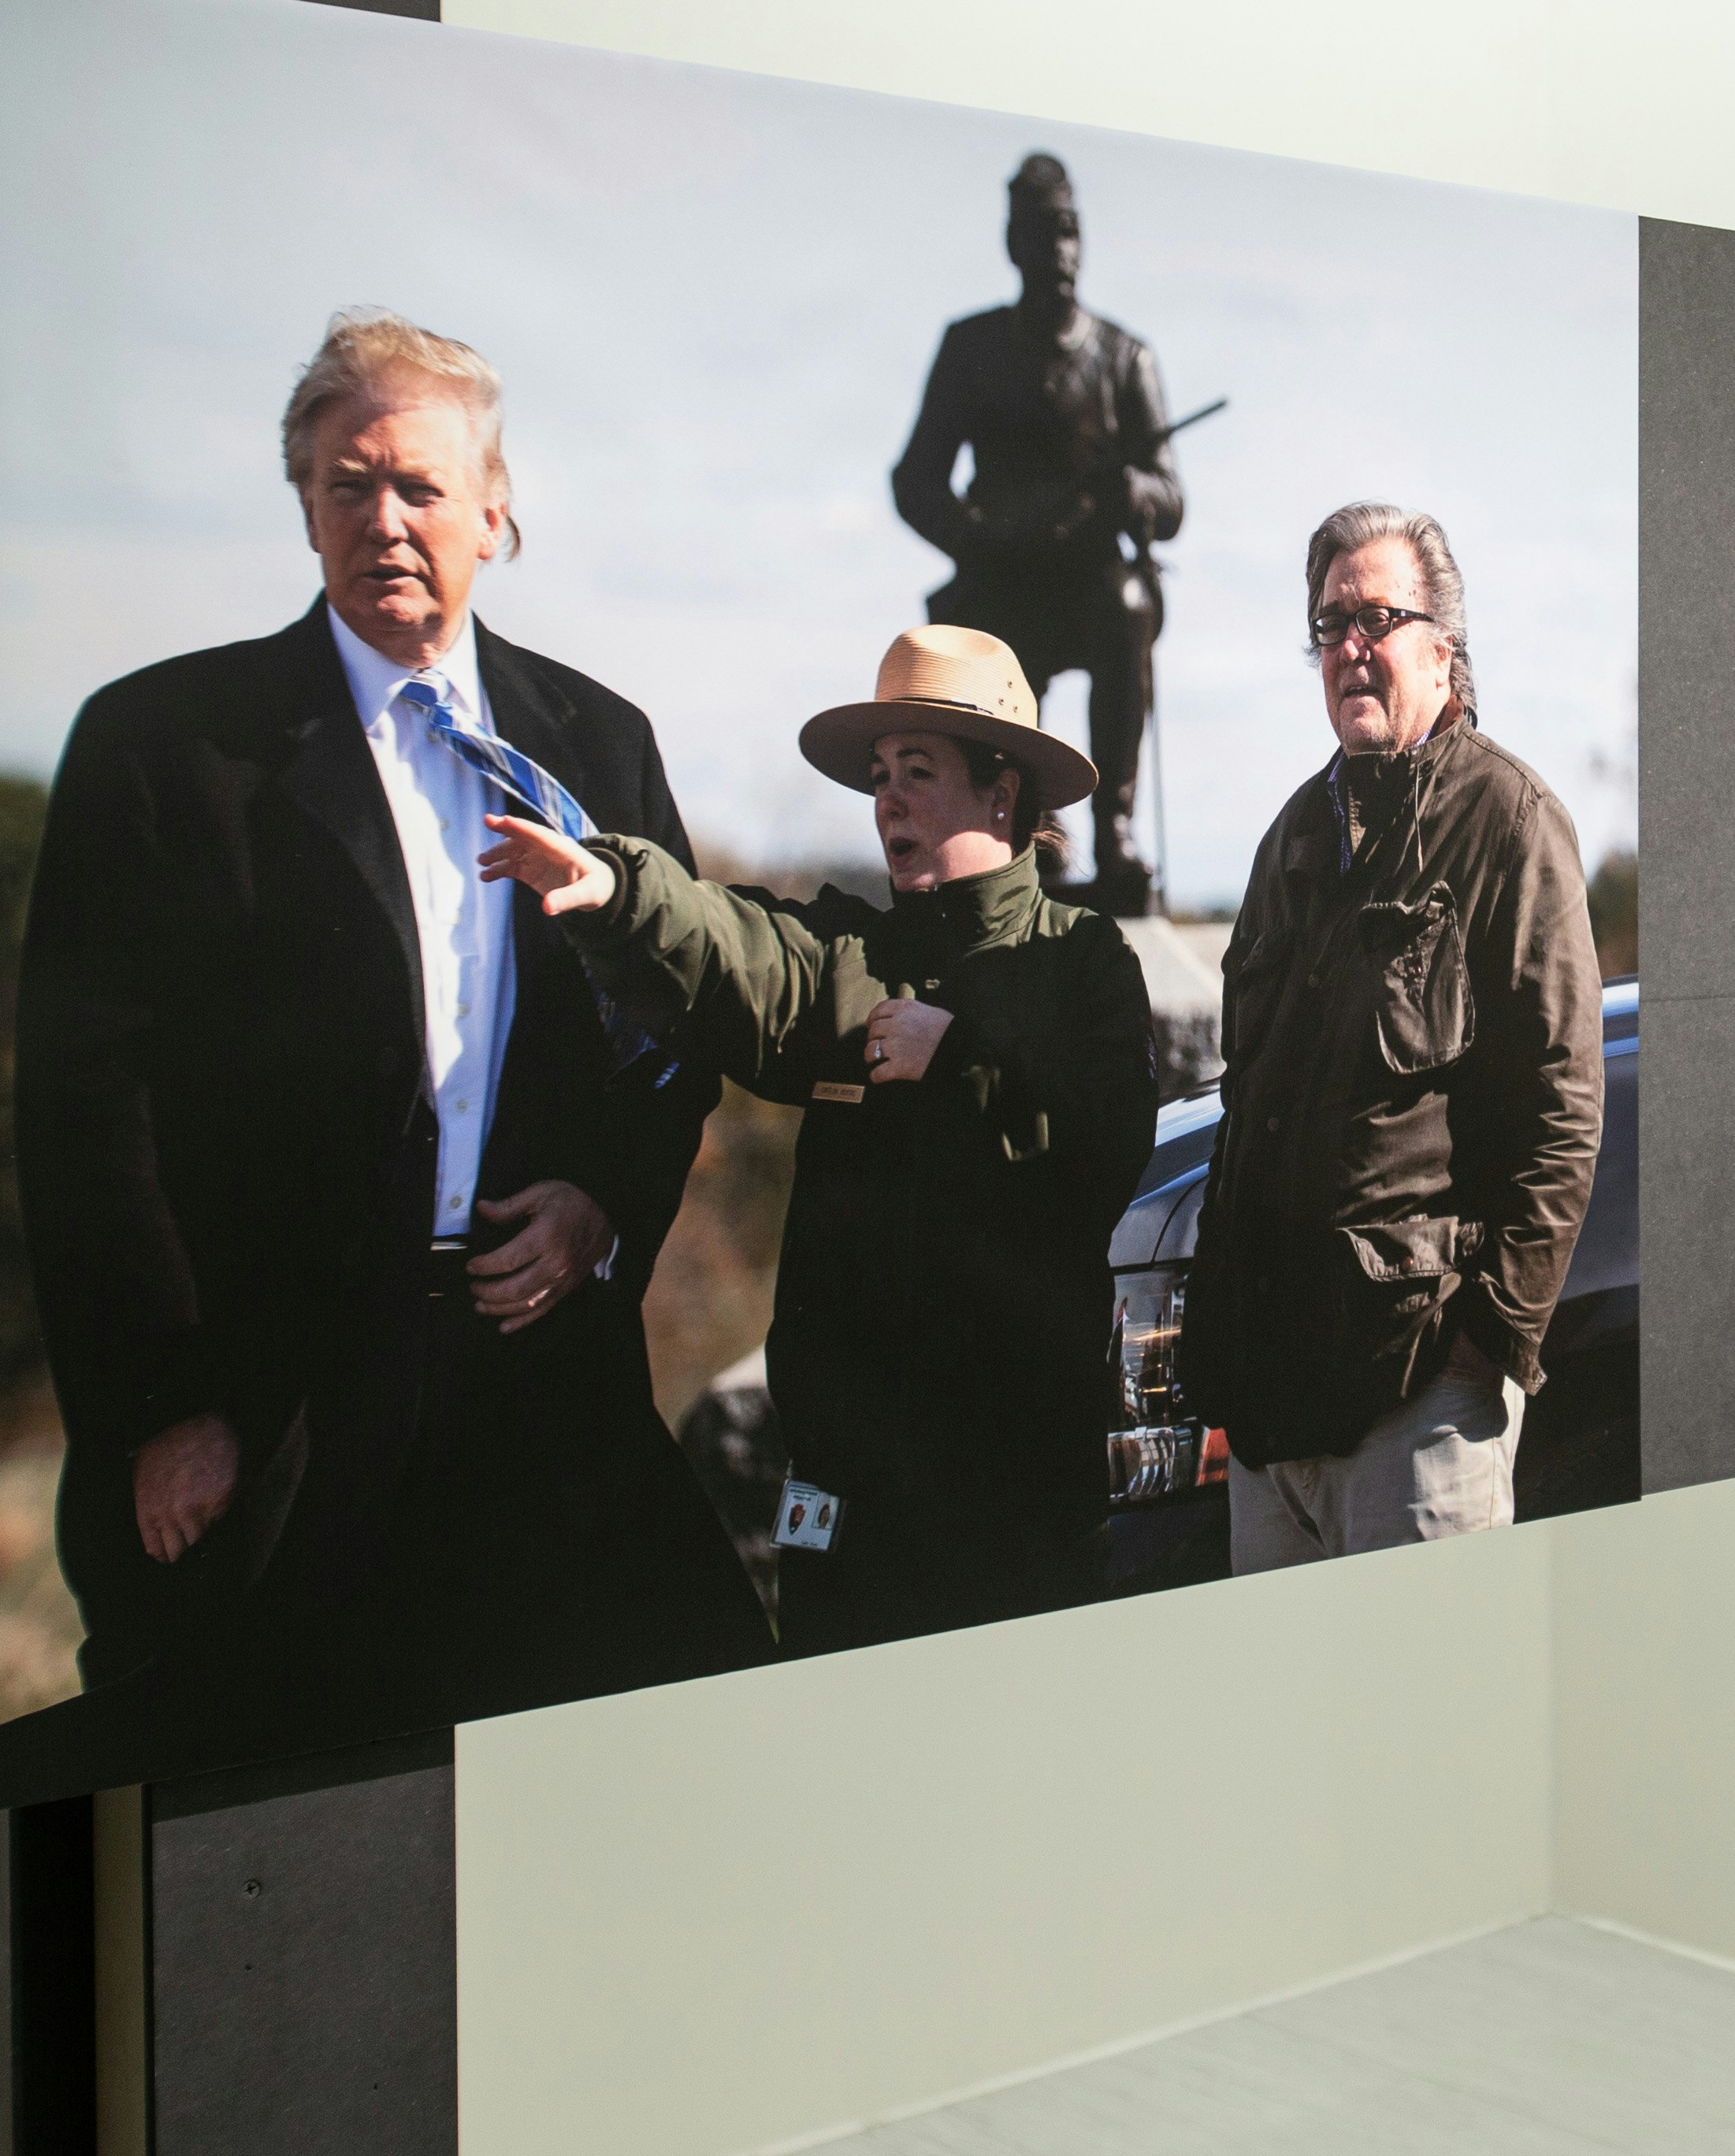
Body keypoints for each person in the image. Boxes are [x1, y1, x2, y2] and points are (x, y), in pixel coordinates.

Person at [0, 312, 763, 1822]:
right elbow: (88, 1118)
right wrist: (164, 1410)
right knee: (260, 1846)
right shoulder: (164, 747)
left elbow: (676, 1030)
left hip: (536, 1390)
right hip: (271, 1417)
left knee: (637, 1788)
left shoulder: (596, 740)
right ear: (303, 508)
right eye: (346, 488)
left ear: (495, 507)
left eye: (417, 486)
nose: (384, 521)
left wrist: (602, 1201)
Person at [477, 628, 1157, 1652]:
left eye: (916, 773)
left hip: (1010, 1515)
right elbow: (737, 948)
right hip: (842, 1514)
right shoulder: (853, 955)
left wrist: (961, 1056)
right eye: (879, 777)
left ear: (1002, 791)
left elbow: (1106, 1144)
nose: (886, 799)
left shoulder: (1083, 963)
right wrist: (621, 890)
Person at [1181, 504, 1602, 1567]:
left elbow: (1563, 1110)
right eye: (1330, 626)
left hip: (1419, 1403)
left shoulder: (1510, 820)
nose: (1351, 648)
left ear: (1443, 649)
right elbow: (1244, 1116)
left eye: (1378, 618)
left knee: (1428, 1727)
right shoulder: (1288, 841)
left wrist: (1488, 1344)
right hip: (1274, 1429)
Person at [890, 153, 1186, 912]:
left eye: (1069, 232)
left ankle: (1115, 828)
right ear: (1012, 244)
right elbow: (914, 480)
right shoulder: (971, 349)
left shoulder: (1127, 358)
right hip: (1001, 583)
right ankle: (1029, 833)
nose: (1058, 250)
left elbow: (1172, 497)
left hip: (1089, 584)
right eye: (1040, 233)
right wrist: (978, 537)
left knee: (1127, 609)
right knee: (979, 631)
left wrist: (1131, 493)